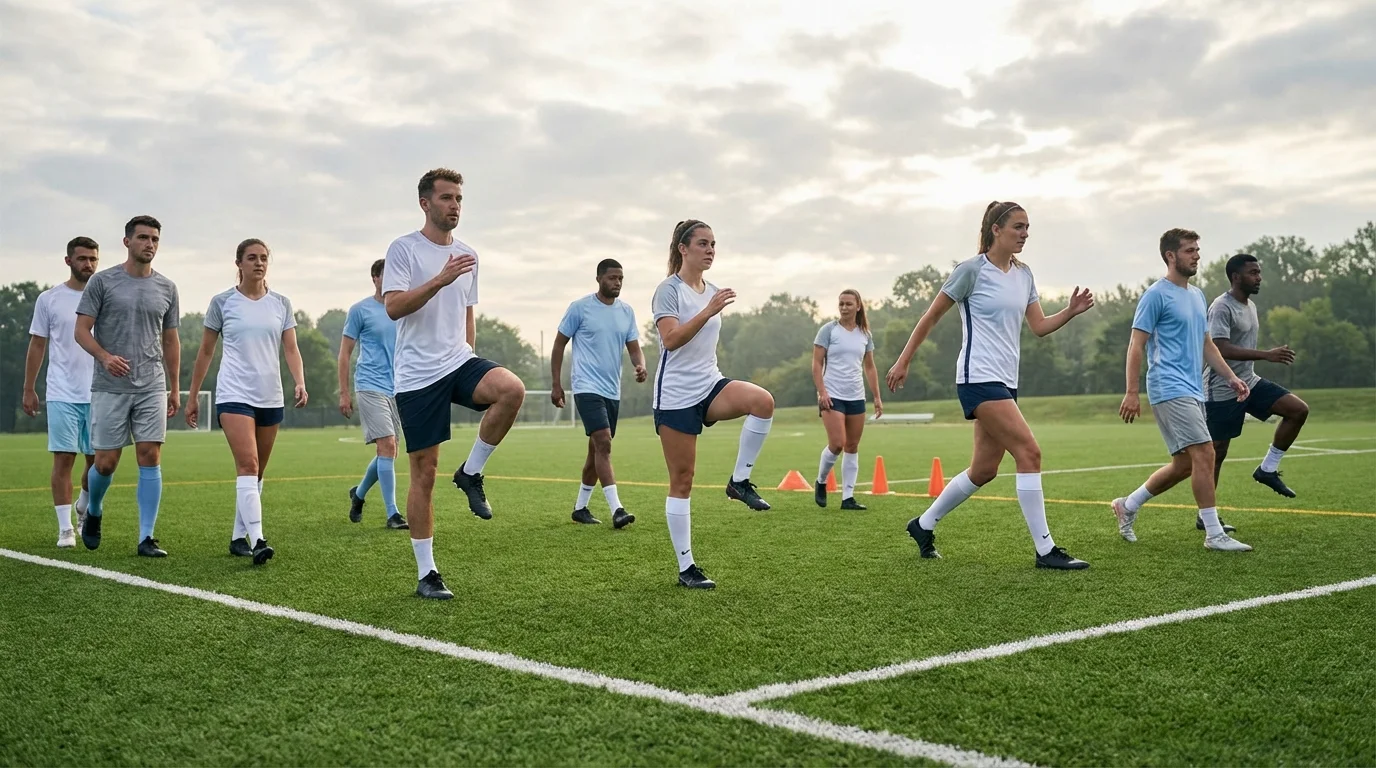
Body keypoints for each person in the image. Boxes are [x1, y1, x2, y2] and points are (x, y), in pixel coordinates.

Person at [887, 201, 1093, 570]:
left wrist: (1071, 311)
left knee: (984, 470)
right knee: (1030, 453)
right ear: (995, 229)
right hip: (978, 378)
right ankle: (1046, 550)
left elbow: (1039, 326)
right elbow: (930, 317)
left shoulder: (1024, 274)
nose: (1025, 234)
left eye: (1028, 227)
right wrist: (903, 361)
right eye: (1018, 226)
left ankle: (923, 524)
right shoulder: (970, 271)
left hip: (1006, 381)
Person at [383, 168, 527, 600]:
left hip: (458, 361)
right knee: (424, 473)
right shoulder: (403, 249)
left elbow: (467, 311)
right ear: (425, 203)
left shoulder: (469, 254)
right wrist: (439, 279)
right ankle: (428, 574)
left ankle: (471, 472)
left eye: (459, 198)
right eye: (446, 198)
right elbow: (393, 307)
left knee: (511, 389)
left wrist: (469, 351)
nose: (455, 205)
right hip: (416, 375)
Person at [1112, 229, 1254, 552]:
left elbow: (1207, 344)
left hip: (1193, 388)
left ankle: (1127, 505)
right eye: (1190, 250)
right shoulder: (1155, 295)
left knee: (1184, 465)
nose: (1197, 256)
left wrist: (1231, 377)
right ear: (1171, 256)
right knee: (1206, 451)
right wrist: (1131, 391)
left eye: (1197, 250)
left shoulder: (1197, 296)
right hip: (1167, 384)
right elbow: (1136, 344)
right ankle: (1214, 534)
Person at [652, 219, 776, 590]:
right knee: (683, 480)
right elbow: (671, 340)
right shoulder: (667, 290)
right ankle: (687, 567)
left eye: (714, 244)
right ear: (683, 249)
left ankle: (739, 482)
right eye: (703, 243)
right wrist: (708, 310)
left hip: (709, 384)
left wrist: (711, 305)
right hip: (675, 396)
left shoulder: (714, 289)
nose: (710, 250)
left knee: (763, 402)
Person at [186, 239, 308, 565]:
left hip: (270, 396)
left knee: (257, 474)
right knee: (248, 465)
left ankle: (238, 537)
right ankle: (258, 540)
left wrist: (299, 382)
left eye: (264, 258)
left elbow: (291, 349)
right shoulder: (222, 302)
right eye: (251, 258)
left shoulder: (281, 303)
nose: (259, 263)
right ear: (238, 263)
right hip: (234, 394)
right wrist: (194, 395)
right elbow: (206, 351)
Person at [73, 215, 180, 557]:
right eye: (144, 238)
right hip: (109, 386)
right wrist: (105, 357)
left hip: (151, 385)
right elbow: (81, 331)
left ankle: (146, 537)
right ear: (127, 242)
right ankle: (94, 510)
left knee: (150, 455)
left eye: (155, 239)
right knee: (105, 463)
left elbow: (172, 341)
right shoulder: (103, 283)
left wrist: (174, 388)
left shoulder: (167, 287)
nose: (150, 244)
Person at [550, 258, 647, 528]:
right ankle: (617, 509)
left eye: (620, 279)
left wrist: (640, 365)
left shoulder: (626, 312)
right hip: (585, 387)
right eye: (612, 278)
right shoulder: (579, 308)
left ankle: (580, 508)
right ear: (599, 279)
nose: (617, 283)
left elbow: (634, 347)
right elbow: (559, 345)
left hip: (611, 390)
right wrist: (556, 384)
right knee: (604, 442)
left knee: (596, 450)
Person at [1205, 253, 1308, 505]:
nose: (1259, 277)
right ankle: (1206, 516)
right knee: (1217, 453)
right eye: (1253, 273)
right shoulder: (1221, 306)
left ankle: (1268, 469)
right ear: (1236, 277)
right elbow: (1220, 348)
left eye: (1259, 272)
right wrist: (1267, 355)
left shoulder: (1250, 306)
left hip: (1248, 382)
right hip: (1222, 387)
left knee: (1297, 410)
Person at [24, 237, 100, 548]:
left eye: (93, 259)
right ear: (68, 261)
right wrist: (29, 388)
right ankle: (65, 528)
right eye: (82, 258)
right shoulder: (50, 299)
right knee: (64, 459)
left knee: (99, 463)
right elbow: (38, 344)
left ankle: (84, 505)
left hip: (100, 392)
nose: (89, 264)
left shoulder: (105, 297)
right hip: (61, 392)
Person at [339, 259, 408, 530]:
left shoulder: (402, 311)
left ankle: (358, 494)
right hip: (369, 385)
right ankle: (392, 514)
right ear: (375, 278)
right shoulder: (360, 310)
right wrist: (344, 393)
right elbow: (344, 353)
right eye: (386, 276)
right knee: (387, 446)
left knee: (389, 452)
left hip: (399, 387)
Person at [812, 289, 883, 510]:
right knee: (837, 443)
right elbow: (816, 363)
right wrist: (822, 391)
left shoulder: (865, 335)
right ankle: (821, 481)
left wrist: (877, 397)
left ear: (858, 306)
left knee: (852, 445)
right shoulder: (828, 330)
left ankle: (848, 498)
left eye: (848, 304)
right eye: (841, 304)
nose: (844, 307)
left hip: (856, 396)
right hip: (832, 395)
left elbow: (869, 368)